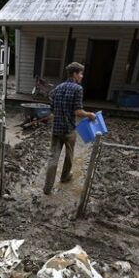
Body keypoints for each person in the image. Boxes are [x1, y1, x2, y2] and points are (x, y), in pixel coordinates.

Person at [44, 62, 96, 195]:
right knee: (69, 155)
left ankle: (47, 188)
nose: (82, 76)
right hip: (68, 130)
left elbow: (52, 109)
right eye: (81, 73)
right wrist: (89, 114)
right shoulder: (78, 89)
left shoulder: (57, 88)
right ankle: (65, 176)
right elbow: (78, 112)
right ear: (75, 74)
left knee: (53, 158)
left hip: (56, 129)